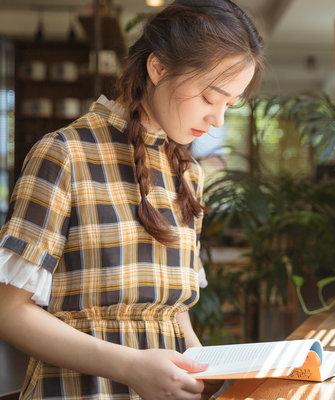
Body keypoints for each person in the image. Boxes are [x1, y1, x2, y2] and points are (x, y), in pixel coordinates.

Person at [0, 0, 264, 398]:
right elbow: (8, 312)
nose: (218, 120)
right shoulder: (65, 154)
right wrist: (129, 367)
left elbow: (174, 314)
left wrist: (202, 370)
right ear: (157, 68)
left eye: (230, 104)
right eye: (211, 98)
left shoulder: (189, 174)